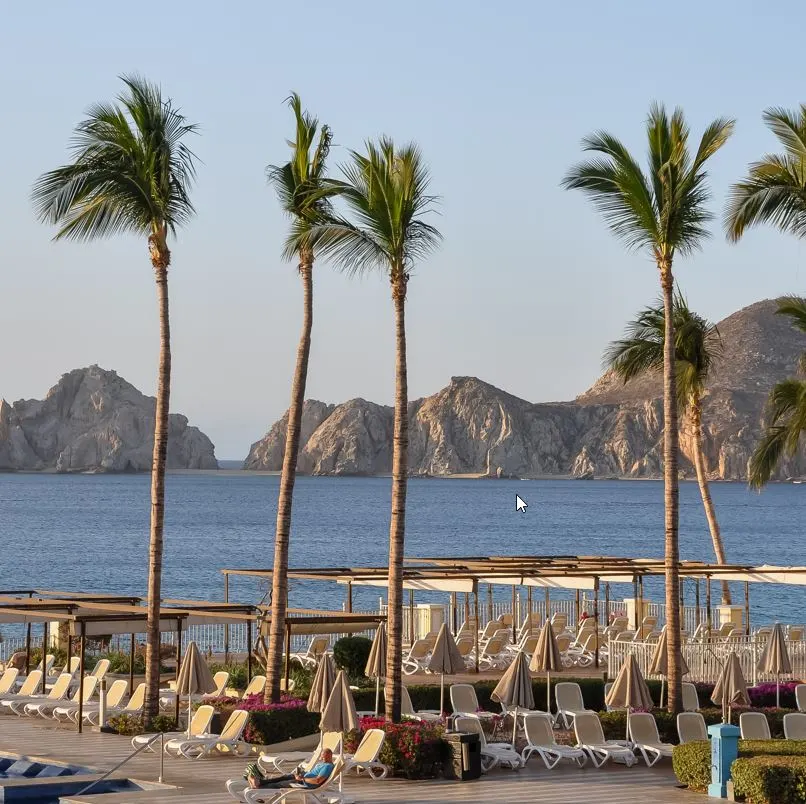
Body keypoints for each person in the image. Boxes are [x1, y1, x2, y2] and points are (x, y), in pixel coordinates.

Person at [245, 748, 335, 790]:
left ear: (330, 756)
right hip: (302, 778)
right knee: (282, 777)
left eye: (324, 757)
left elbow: (317, 781)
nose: (321, 758)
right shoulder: (323, 764)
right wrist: (301, 775)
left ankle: (259, 788)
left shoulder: (327, 766)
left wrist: (302, 778)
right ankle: (260, 782)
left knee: (280, 784)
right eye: (321, 756)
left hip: (305, 784)